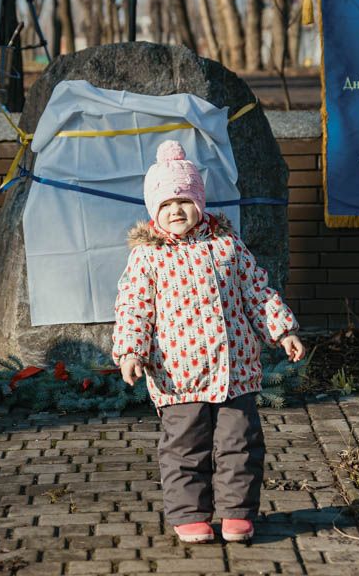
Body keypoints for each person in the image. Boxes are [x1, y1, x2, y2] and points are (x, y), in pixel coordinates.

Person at [112, 139, 306, 545]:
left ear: (199, 203)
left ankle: (237, 513)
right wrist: (131, 351)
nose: (176, 210)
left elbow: (257, 291)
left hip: (235, 369)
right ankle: (190, 514)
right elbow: (134, 308)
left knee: (240, 444)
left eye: (184, 201)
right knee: (185, 448)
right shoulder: (148, 257)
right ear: (154, 211)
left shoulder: (225, 246)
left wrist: (282, 330)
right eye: (166, 204)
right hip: (177, 373)